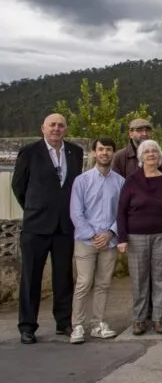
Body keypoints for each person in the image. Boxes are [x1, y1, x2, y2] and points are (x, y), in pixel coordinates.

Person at [12, 113, 84, 344]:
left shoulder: (76, 152)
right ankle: (27, 326)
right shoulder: (30, 152)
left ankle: (63, 322)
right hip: (36, 225)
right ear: (43, 128)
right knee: (31, 277)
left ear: (66, 129)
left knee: (64, 277)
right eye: (52, 125)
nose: (56, 129)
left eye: (60, 125)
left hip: (64, 226)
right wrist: (35, 208)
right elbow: (18, 186)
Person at [117, 140, 162, 336]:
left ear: (160, 156)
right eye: (147, 151)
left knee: (161, 276)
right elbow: (121, 212)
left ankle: (158, 318)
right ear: (141, 156)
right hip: (137, 235)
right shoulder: (131, 180)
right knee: (139, 277)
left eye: (154, 151)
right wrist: (122, 238)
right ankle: (139, 319)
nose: (151, 154)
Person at [68, 137, 124, 344]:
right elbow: (76, 212)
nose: (104, 153)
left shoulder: (120, 182)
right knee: (84, 283)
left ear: (113, 153)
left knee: (103, 284)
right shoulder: (82, 181)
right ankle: (78, 326)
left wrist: (110, 233)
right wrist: (93, 235)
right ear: (94, 152)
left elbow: (122, 213)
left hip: (109, 241)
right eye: (101, 149)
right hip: (86, 241)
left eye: (108, 150)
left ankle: (98, 323)